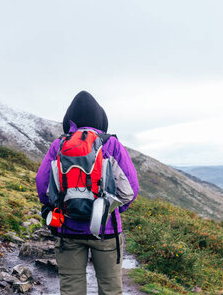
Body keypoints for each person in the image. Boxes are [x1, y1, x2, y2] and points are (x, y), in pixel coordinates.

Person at [35, 91, 139, 295]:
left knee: (71, 288)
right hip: (105, 231)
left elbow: (42, 183)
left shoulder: (59, 144)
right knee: (110, 289)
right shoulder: (111, 144)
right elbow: (130, 190)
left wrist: (56, 207)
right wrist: (110, 211)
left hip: (67, 229)